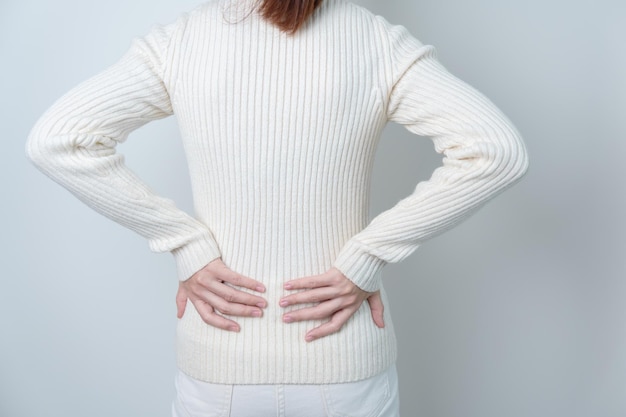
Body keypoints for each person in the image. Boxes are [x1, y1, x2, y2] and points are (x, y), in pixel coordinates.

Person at [26, 0, 529, 415]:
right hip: (342, 362)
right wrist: (366, 258)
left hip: (219, 363)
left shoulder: (180, 42)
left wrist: (187, 246)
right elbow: (496, 151)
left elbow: (56, 140)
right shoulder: (375, 41)